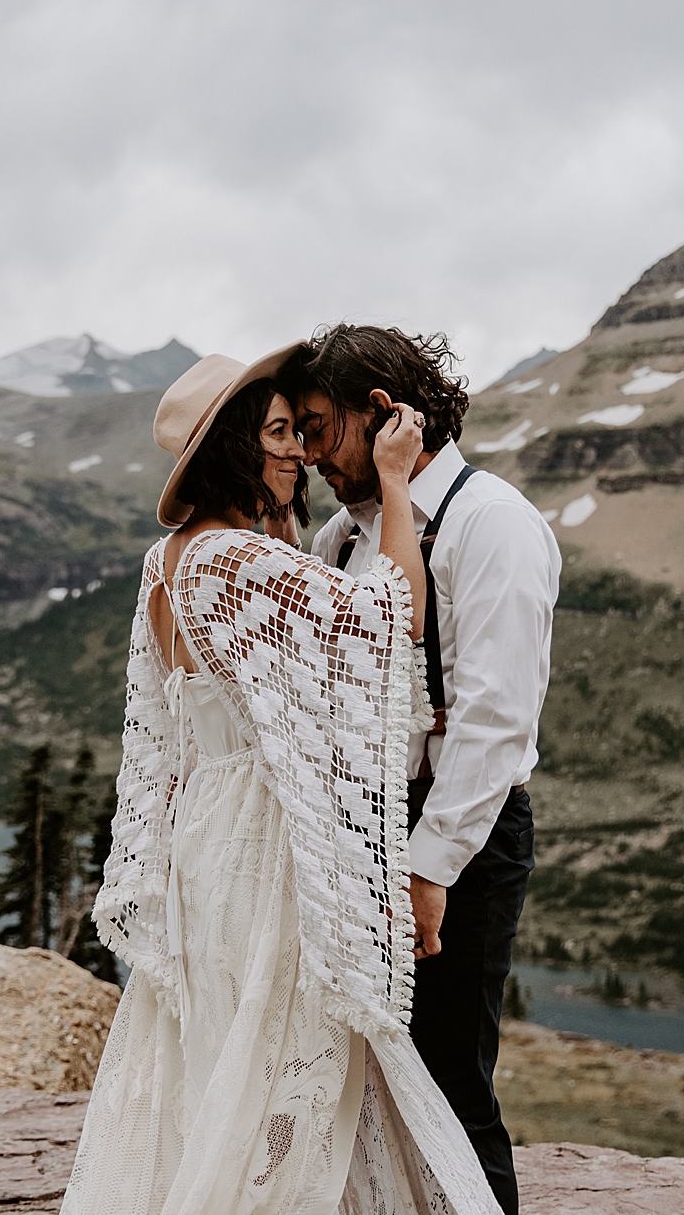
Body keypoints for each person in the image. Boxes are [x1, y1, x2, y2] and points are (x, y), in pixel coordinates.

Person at [62, 345, 502, 1215]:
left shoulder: (171, 561)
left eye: (300, 431)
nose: (298, 451)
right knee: (287, 1066)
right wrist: (396, 480)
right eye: (277, 433)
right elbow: (389, 620)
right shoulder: (234, 561)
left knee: (227, 1059)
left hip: (205, 839)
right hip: (265, 843)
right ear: (234, 446)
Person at [279, 325, 560, 1215]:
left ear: (384, 413)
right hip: (364, 832)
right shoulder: (339, 537)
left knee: (449, 1080)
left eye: (321, 428)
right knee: (362, 1074)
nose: (314, 452)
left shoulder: (493, 523)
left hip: (458, 838)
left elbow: (494, 718)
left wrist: (431, 867)